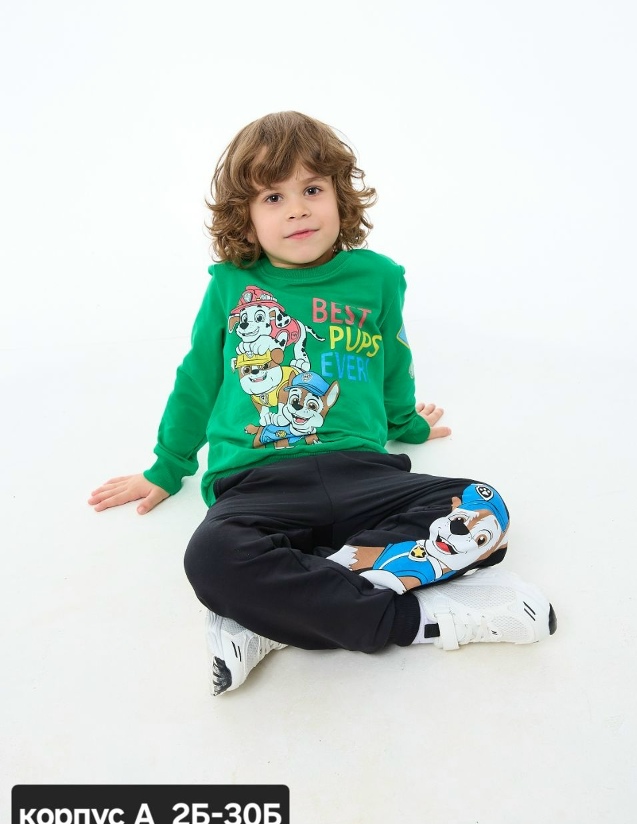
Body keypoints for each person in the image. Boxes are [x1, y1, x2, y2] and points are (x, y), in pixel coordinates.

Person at [89, 111, 556, 695]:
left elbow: (393, 361)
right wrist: (167, 467)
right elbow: (197, 380)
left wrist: (406, 423)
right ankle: (417, 620)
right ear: (245, 216)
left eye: (312, 190)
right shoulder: (231, 285)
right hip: (258, 484)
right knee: (210, 559)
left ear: (339, 196)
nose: (297, 210)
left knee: (484, 508)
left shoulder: (378, 277)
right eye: (273, 197)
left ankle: (271, 617)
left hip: (364, 475)